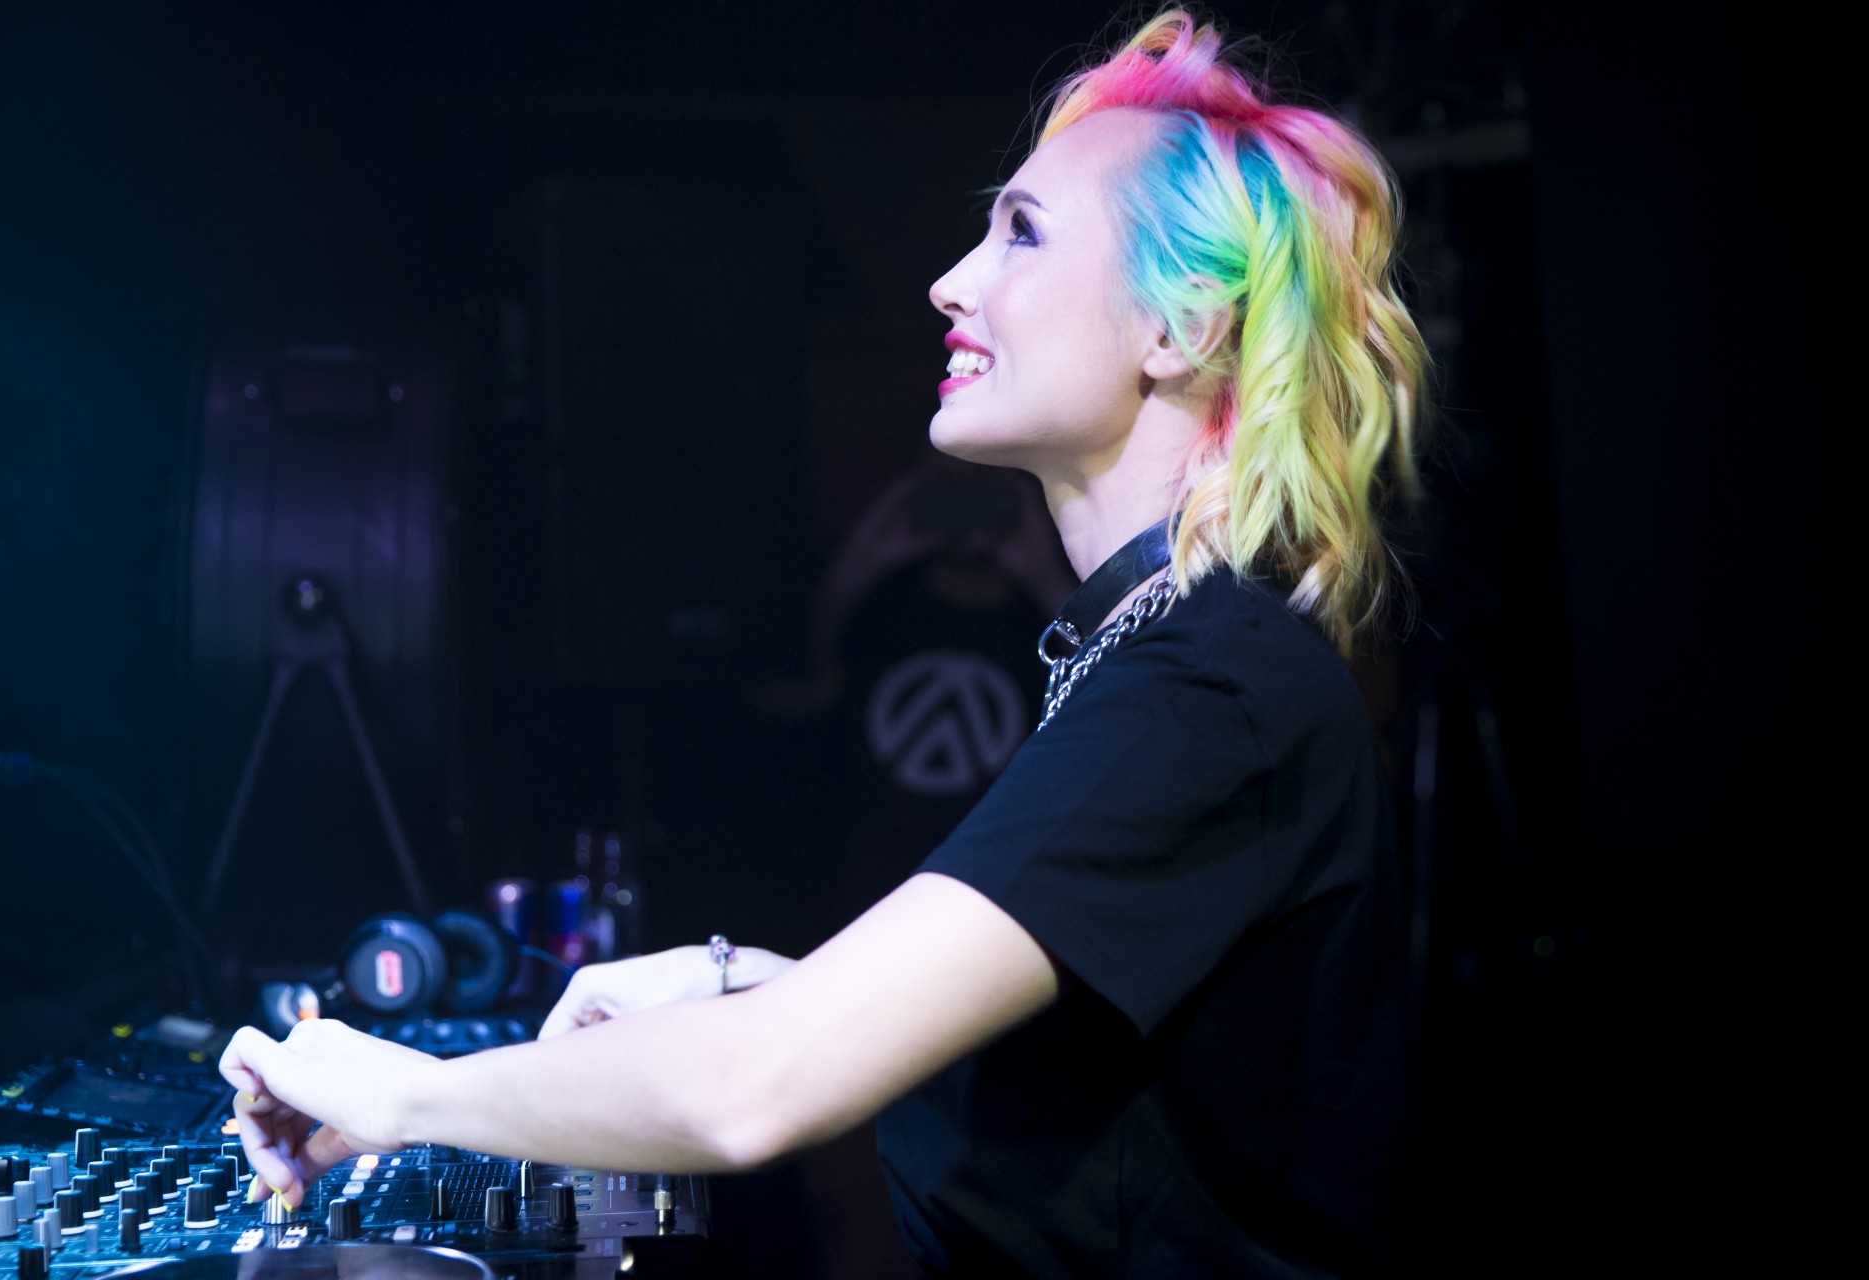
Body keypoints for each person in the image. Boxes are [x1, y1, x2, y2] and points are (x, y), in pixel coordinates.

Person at [219, 10, 1429, 1276]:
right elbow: (1079, 1072)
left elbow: (754, 1094)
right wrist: (745, 980)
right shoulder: (1175, 655)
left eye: (1021, 232)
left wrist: (401, 1093)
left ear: (1179, 330)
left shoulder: (1207, 688)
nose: (950, 281)